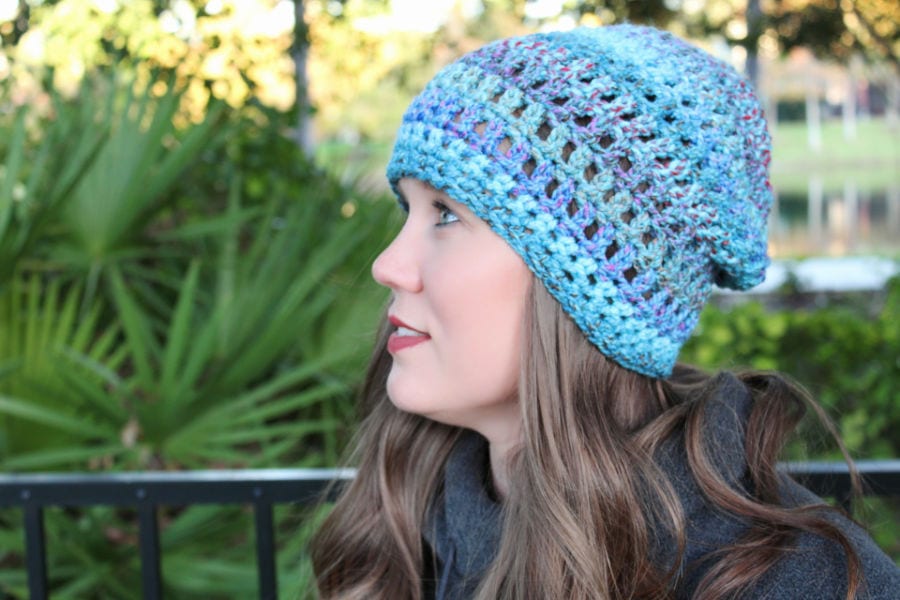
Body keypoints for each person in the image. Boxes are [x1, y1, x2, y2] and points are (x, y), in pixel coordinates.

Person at [310, 24, 900, 599]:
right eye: (405, 212)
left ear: (593, 284)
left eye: (445, 213)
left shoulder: (798, 581)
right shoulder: (412, 518)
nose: (387, 265)